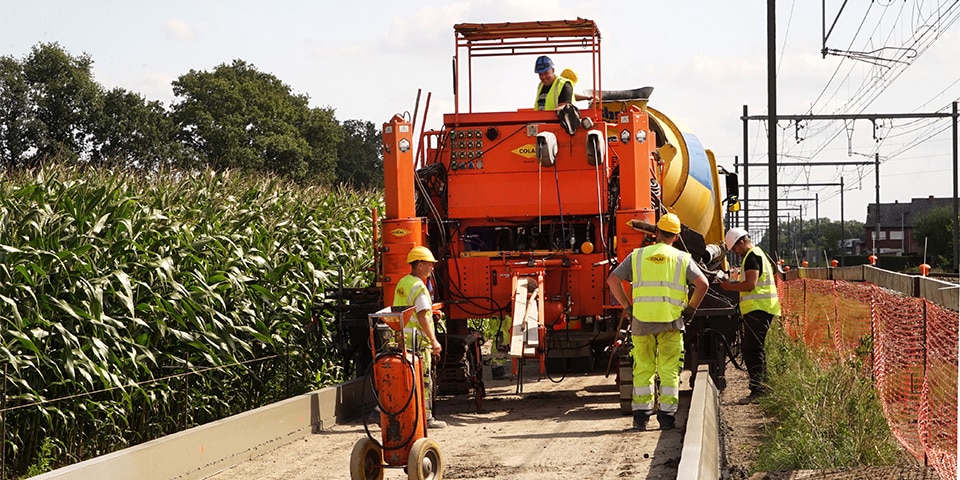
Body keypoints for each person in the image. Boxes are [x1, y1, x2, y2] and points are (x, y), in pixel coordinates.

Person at [606, 213, 709, 431]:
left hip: (642, 322)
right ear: (676, 236)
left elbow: (612, 280)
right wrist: (690, 309)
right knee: (669, 370)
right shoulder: (682, 258)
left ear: (657, 233)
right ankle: (666, 418)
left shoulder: (637, 256)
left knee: (643, 368)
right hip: (671, 322)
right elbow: (703, 284)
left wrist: (627, 306)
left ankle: (641, 417)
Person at [718, 227, 782, 400]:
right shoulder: (757, 254)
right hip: (761, 308)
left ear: (741, 242)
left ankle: (759, 390)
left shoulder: (752, 257)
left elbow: (750, 284)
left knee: (752, 349)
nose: (736, 253)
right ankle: (761, 387)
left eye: (735, 249)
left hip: (759, 309)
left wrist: (729, 286)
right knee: (753, 349)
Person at [394, 245, 447, 429]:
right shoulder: (419, 288)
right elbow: (423, 315)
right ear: (419, 265)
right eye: (429, 264)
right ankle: (427, 418)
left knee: (404, 380)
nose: (432, 268)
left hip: (402, 341)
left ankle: (404, 416)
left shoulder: (402, 283)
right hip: (418, 343)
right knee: (424, 381)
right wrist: (433, 341)